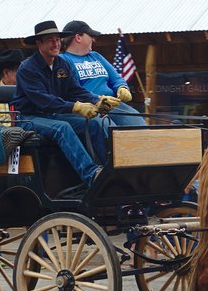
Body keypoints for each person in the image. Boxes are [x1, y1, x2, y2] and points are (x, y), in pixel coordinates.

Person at [12, 21, 117, 190]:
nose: (56, 44)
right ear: (39, 43)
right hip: (29, 117)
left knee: (95, 122)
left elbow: (75, 90)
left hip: (53, 114)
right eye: (50, 40)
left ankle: (110, 170)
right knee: (63, 128)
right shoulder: (27, 68)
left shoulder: (62, 64)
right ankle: (91, 175)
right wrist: (75, 107)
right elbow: (43, 101)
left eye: (57, 39)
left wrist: (96, 99)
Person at [59, 20, 145, 127]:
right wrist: (98, 99)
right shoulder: (63, 61)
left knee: (138, 122)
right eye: (90, 36)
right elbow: (73, 91)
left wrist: (122, 87)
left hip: (113, 105)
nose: (93, 39)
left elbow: (116, 78)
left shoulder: (96, 56)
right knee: (110, 129)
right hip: (89, 109)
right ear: (78, 38)